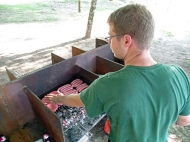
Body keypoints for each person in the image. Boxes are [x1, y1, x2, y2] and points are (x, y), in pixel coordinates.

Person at [44, 4, 190, 142]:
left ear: (126, 40)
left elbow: (77, 101)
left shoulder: (109, 83)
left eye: (111, 36)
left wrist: (59, 99)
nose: (108, 42)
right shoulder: (179, 74)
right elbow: (185, 120)